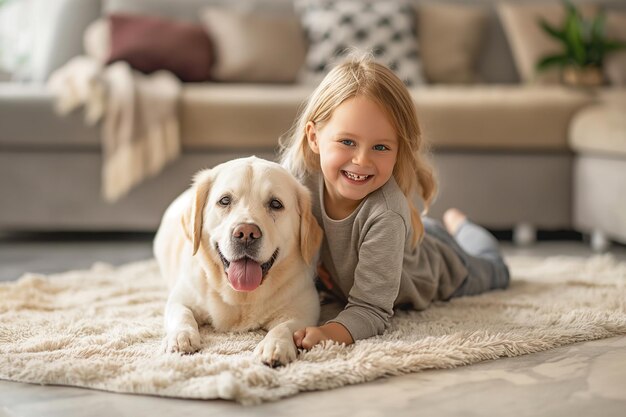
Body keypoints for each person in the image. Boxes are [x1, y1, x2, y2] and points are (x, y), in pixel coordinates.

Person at [279, 54, 510, 350]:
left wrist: (329, 333)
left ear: (398, 150)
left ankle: (462, 226)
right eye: (347, 142)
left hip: (444, 266)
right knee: (423, 230)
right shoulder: (294, 183)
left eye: (380, 147)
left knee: (494, 268)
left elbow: (371, 310)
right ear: (314, 137)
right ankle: (446, 226)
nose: (361, 160)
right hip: (412, 235)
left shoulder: (386, 214)